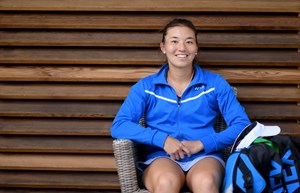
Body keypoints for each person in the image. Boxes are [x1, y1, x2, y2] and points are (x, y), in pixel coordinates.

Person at [111, 18, 250, 193]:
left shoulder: (216, 84)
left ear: (196, 48)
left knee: (206, 183)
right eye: (174, 41)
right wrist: (163, 140)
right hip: (161, 157)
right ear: (163, 47)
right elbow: (119, 125)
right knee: (166, 183)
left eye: (189, 42)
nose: (182, 48)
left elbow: (243, 126)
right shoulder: (146, 87)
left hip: (205, 157)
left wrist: (202, 143)